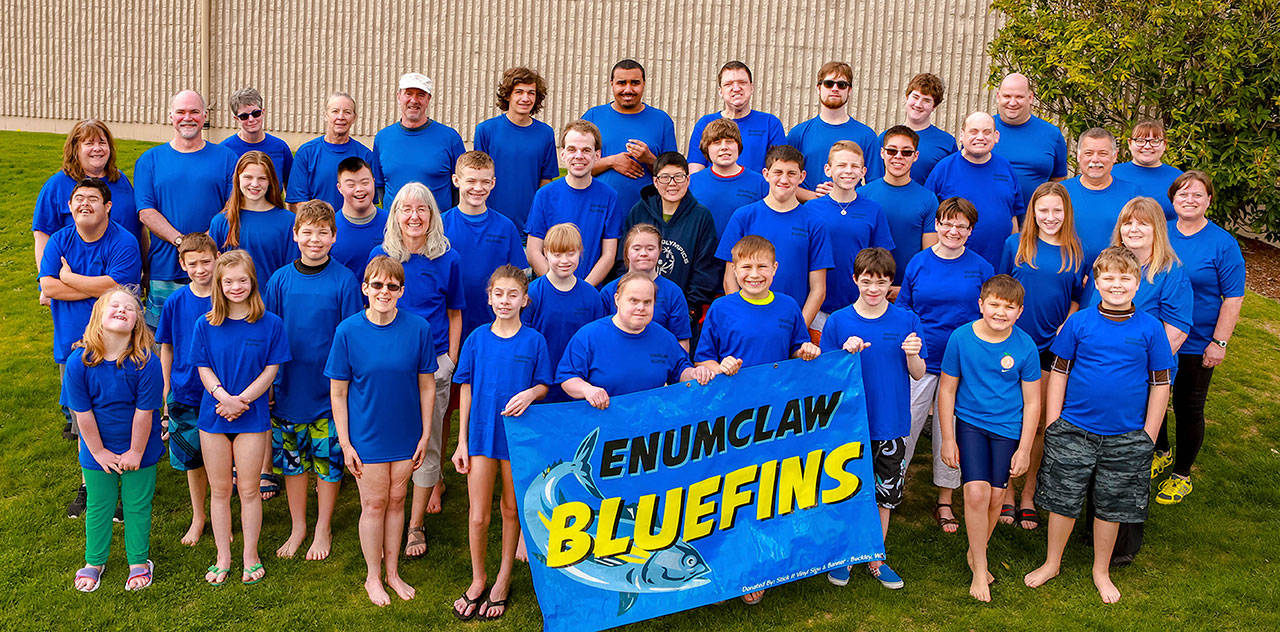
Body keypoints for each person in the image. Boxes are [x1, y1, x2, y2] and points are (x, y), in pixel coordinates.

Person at [1025, 246, 1174, 604]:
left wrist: (1150, 434)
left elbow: (1160, 384)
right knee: (1063, 499)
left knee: (1112, 504)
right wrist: (1054, 421)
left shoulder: (1151, 329)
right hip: (1074, 429)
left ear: (1137, 283)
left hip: (1127, 435)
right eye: (1108, 278)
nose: (1116, 284)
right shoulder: (1079, 323)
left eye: (1125, 278)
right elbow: (1059, 372)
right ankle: (1052, 562)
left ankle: (1101, 570)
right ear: (1095, 282)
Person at [693, 235, 819, 605]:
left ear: (775, 269)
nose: (754, 273)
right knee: (730, 492)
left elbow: (795, 348)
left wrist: (805, 350)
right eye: (745, 267)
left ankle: (758, 569)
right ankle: (725, 568)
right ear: (733, 269)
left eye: (762, 266)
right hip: (731, 418)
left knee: (768, 491)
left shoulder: (788, 306)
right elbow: (703, 360)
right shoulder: (721, 308)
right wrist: (720, 365)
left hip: (775, 417)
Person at [325, 255, 437, 606]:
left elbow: (427, 386)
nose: (384, 291)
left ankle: (393, 572)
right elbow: (338, 392)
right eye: (377, 285)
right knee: (374, 504)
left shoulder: (418, 329)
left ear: (402, 291)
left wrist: (425, 435)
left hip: (406, 432)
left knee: (398, 500)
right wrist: (346, 444)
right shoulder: (348, 331)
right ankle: (373, 576)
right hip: (366, 434)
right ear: (365, 288)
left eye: (392, 286)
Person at [450, 265, 552, 621]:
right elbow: (465, 388)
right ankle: (478, 577)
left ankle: (504, 577)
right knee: (478, 515)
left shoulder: (534, 341)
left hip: (517, 438)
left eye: (513, 295)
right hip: (481, 435)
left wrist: (531, 393)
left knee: (511, 509)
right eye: (499, 294)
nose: (505, 301)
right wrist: (461, 441)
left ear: (524, 300)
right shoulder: (477, 339)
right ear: (489, 298)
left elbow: (544, 384)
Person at [263, 201, 363, 559]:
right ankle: (298, 526)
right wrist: (270, 383)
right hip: (289, 389)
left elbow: (352, 338)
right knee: (293, 463)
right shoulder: (279, 280)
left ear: (334, 237)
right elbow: (270, 334)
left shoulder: (345, 281)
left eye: (323, 232)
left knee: (327, 463)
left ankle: (323, 527)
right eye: (307, 232)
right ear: (295, 235)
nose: (315, 239)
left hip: (329, 393)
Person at [821, 247, 926, 591]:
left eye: (881, 282)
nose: (873, 289)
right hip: (849, 424)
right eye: (867, 281)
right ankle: (846, 554)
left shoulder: (906, 320)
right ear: (855, 279)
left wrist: (912, 355)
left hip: (891, 423)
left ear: (891, 283)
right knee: (847, 490)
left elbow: (918, 372)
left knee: (885, 495)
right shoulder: (838, 321)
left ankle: (875, 556)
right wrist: (843, 354)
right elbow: (826, 377)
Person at [370, 182, 465, 556]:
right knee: (389, 439)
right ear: (395, 215)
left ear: (432, 215)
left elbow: (454, 312)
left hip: (433, 364)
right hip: (389, 367)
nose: (414, 216)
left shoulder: (448, 258)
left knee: (430, 439)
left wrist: (450, 359)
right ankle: (382, 509)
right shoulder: (382, 255)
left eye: (421, 209)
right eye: (405, 209)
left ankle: (415, 524)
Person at [40, 178, 143, 516]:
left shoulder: (123, 241)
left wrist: (69, 278)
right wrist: (98, 287)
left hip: (118, 343)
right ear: (70, 206)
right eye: (78, 198)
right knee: (83, 417)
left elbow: (119, 288)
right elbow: (48, 288)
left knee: (121, 414)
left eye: (93, 198)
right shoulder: (59, 240)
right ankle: (91, 485)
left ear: (107, 206)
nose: (84, 203)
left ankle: (125, 485)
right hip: (72, 346)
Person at [937, 275, 1042, 601]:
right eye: (994, 305)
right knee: (976, 493)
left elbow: (1033, 402)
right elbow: (947, 390)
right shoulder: (961, 338)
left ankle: (976, 550)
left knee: (997, 497)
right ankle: (980, 569)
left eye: (1009, 308)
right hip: (970, 424)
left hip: (1007, 429)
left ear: (1019, 312)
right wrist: (948, 438)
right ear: (981, 304)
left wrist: (1025, 449)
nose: (1000, 312)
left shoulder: (1026, 346)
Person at [191, 250, 291, 586]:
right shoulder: (205, 324)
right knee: (220, 491)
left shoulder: (271, 324)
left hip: (251, 416)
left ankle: (250, 555)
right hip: (215, 416)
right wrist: (224, 398)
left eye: (242, 280)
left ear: (253, 282)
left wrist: (242, 401)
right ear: (219, 285)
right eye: (229, 281)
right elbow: (203, 368)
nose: (236, 287)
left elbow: (271, 370)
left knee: (248, 491)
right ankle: (223, 556)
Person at [897, 197, 995, 534]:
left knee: (948, 431)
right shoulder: (919, 262)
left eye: (961, 226)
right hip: (922, 359)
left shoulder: (981, 268)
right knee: (906, 422)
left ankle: (944, 498)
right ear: (937, 225)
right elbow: (904, 309)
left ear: (970, 230)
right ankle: (892, 486)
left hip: (961, 364)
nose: (953, 231)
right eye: (947, 223)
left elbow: (988, 316)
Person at [997, 182, 1086, 529]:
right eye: (1043, 210)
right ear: (1033, 212)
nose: (1050, 217)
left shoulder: (1076, 251)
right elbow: (1000, 291)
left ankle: (1028, 494)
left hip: (1052, 348)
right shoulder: (1015, 245)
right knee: (1010, 418)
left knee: (1038, 425)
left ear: (1067, 213)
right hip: (1013, 343)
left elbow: (1077, 298)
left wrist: (1067, 323)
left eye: (1057, 211)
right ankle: (1005, 491)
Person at [66, 288, 163, 593]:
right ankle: (94, 561)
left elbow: (144, 413)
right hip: (96, 450)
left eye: (129, 308)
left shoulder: (147, 362)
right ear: (98, 316)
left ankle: (138, 562)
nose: (122, 310)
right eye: (114, 305)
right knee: (99, 505)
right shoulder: (79, 362)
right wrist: (99, 452)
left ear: (137, 322)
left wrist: (135, 451)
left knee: (136, 505)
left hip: (140, 449)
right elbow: (82, 414)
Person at [1157, 171, 1245, 504]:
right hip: (1160, 336)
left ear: (1209, 200)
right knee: (1154, 398)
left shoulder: (1223, 243)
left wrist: (1219, 343)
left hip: (1197, 341)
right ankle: (1161, 451)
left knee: (1188, 407)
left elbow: (1233, 297)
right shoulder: (1161, 231)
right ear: (1173, 199)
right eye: (1183, 194)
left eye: (1197, 194)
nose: (1189, 200)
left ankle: (1181, 474)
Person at [135, 89, 238, 327]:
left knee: (215, 332)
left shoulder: (226, 158)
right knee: (163, 338)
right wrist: (183, 243)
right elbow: (146, 211)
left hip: (215, 268)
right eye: (181, 112)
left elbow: (232, 206)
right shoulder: (150, 160)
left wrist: (205, 245)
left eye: (194, 112)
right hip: (165, 270)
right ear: (171, 116)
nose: (187, 117)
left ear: (204, 116)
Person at [716, 145, 833, 330]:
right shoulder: (743, 217)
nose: (784, 179)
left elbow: (818, 289)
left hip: (791, 324)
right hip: (746, 323)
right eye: (778, 172)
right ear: (766, 174)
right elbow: (729, 278)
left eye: (791, 173)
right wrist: (741, 319)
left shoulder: (815, 223)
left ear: (802, 177)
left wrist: (797, 330)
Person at [559, 273, 715, 408]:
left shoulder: (664, 338)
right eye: (633, 301)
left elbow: (680, 371)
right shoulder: (588, 336)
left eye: (647, 302)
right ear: (617, 299)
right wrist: (587, 390)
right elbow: (567, 378)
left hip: (649, 426)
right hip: (601, 424)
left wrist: (695, 373)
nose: (641, 307)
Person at [156, 232, 219, 546]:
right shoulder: (175, 301)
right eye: (192, 264)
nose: (200, 269)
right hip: (185, 391)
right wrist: (166, 390)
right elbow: (166, 347)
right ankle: (199, 516)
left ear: (217, 259)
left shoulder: (226, 297)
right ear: (182, 264)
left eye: (205, 262)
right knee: (193, 460)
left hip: (220, 393)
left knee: (220, 461)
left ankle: (221, 517)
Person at [805, 141, 894, 330]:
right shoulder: (811, 209)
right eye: (841, 165)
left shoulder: (873, 210)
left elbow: (882, 260)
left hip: (860, 307)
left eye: (855, 166)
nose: (848, 171)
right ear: (828, 170)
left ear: (863, 172)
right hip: (817, 307)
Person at [33, 119, 140, 277]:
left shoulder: (120, 180)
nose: (97, 148)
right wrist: (47, 279)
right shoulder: (57, 185)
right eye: (89, 143)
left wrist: (145, 269)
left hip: (123, 274)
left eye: (102, 142)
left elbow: (138, 227)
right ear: (75, 149)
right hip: (78, 276)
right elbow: (42, 234)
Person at [622, 152, 719, 322]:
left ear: (688, 180)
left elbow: (705, 270)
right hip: (637, 308)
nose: (672, 183)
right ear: (655, 182)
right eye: (665, 177)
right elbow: (623, 260)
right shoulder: (639, 212)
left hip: (681, 311)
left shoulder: (701, 217)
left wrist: (689, 309)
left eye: (678, 177)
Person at [441, 151, 528, 338]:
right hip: (449, 323)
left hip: (494, 325)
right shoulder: (440, 225)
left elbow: (519, 279)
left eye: (485, 182)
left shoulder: (505, 227)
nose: (478, 188)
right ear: (456, 181)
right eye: (471, 181)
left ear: (493, 183)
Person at [525, 120, 620, 287]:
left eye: (586, 150)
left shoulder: (609, 197)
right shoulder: (545, 195)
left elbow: (608, 255)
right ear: (562, 154)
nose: (579, 156)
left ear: (597, 155)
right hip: (550, 290)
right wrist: (556, 286)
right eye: (572, 149)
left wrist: (582, 291)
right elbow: (533, 251)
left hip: (590, 290)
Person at [522, 223, 610, 402]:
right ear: (545, 253)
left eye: (571, 254)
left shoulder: (591, 296)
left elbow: (598, 342)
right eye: (557, 254)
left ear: (580, 253)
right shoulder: (533, 293)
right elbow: (524, 341)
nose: (564, 261)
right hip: (540, 384)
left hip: (579, 384)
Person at [582, 59, 678, 214]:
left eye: (635, 83)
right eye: (621, 83)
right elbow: (577, 168)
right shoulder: (593, 117)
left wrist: (650, 160)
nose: (628, 89)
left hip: (647, 213)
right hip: (597, 210)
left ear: (644, 84)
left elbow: (673, 177)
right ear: (612, 84)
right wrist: (611, 162)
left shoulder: (662, 121)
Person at [925, 112, 1021, 266]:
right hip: (954, 265)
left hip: (1000, 264)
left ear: (996, 136)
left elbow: (1013, 216)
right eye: (973, 132)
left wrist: (1014, 259)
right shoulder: (944, 169)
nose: (980, 137)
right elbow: (929, 221)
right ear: (962, 136)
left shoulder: (1006, 168)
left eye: (987, 132)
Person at [474, 67, 559, 229]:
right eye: (519, 92)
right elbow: (477, 177)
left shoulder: (546, 133)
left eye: (531, 93)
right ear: (508, 95)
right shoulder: (486, 130)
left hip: (529, 223)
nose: (525, 98)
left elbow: (546, 181)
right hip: (490, 222)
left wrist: (539, 219)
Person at [860, 126, 941, 294]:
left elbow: (929, 256)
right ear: (882, 153)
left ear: (915, 156)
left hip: (909, 290)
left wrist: (905, 290)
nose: (898, 156)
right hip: (866, 289)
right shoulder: (862, 194)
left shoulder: (928, 199)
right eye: (892, 151)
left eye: (906, 152)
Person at [786, 61, 882, 199]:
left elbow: (875, 187)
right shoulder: (798, 134)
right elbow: (785, 182)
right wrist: (815, 197)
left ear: (849, 90)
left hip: (850, 210)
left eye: (841, 85)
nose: (835, 89)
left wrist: (843, 195)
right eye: (829, 84)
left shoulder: (867, 136)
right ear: (819, 88)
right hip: (808, 210)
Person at [372, 72, 466, 211]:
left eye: (420, 95)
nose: (414, 100)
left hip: (438, 223)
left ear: (428, 99)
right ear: (399, 96)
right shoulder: (383, 138)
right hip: (394, 223)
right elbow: (380, 187)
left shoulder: (450, 138)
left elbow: (460, 188)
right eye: (408, 93)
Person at [601, 224, 693, 349]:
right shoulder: (609, 291)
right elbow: (599, 334)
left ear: (659, 251)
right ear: (626, 251)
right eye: (637, 248)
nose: (643, 253)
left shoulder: (673, 293)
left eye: (650, 249)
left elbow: (681, 341)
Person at [209, 151, 298, 281]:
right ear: (237, 178)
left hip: (273, 294)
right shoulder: (221, 222)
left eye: (262, 178)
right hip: (233, 294)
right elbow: (214, 273)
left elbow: (292, 273)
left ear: (270, 181)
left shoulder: (288, 221)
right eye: (248, 177)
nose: (255, 184)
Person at [992, 73, 1068, 224]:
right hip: (990, 223)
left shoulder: (1052, 134)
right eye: (1007, 96)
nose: (1012, 102)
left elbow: (1058, 184)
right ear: (998, 96)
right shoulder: (982, 132)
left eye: (1019, 97)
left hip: (1036, 225)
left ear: (1031, 98)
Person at [686, 61, 786, 174]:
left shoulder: (770, 123)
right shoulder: (705, 124)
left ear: (751, 87)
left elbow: (779, 171)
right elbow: (695, 171)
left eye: (742, 82)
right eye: (728, 84)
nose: (736, 88)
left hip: (757, 186)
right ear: (720, 91)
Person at [1062, 128, 1142, 269]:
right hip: (1068, 272)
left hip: (1116, 274)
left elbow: (1142, 240)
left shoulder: (1132, 193)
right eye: (1088, 153)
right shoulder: (1062, 192)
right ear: (1079, 156)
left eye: (1102, 153)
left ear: (1114, 156)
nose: (1095, 159)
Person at [287, 92, 375, 213]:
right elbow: (297, 203)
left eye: (347, 112)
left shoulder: (365, 156)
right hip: (317, 223)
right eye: (335, 111)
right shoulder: (306, 153)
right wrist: (325, 222)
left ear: (354, 118)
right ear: (326, 115)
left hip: (353, 223)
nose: (341, 117)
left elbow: (368, 202)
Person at [687, 118, 770, 238]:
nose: (724, 147)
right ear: (706, 148)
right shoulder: (692, 183)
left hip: (744, 249)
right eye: (717, 142)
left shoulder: (760, 183)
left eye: (730, 141)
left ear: (738, 146)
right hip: (703, 249)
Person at [880, 73, 956, 184]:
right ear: (907, 97)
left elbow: (950, 182)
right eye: (915, 97)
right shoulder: (886, 138)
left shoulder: (947, 143)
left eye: (926, 100)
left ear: (934, 106)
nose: (918, 104)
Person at [220, 87, 293, 185]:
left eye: (256, 113)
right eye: (244, 116)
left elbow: (291, 187)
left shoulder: (280, 147)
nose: (251, 119)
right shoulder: (224, 151)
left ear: (263, 112)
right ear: (236, 119)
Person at [1113, 120, 1183, 221]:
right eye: (1140, 140)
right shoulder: (1112, 174)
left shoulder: (1179, 179)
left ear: (1164, 144)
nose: (1147, 146)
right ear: (1130, 143)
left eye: (1155, 141)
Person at [332, 156, 388, 280]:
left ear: (373, 182)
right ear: (339, 188)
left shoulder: (392, 223)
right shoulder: (330, 228)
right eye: (351, 185)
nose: (359, 189)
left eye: (365, 183)